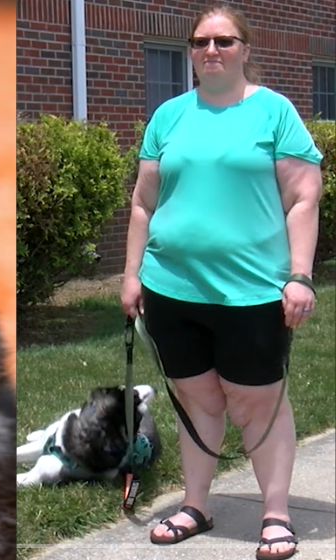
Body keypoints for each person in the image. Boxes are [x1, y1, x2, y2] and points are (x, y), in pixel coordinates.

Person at [120, 3, 323, 560]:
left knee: (257, 403)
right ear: (189, 51)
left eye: (225, 41)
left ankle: (277, 515)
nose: (212, 50)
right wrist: (133, 274)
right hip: (171, 288)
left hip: (254, 290)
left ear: (245, 50)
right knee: (196, 398)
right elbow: (143, 202)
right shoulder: (168, 116)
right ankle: (197, 504)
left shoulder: (274, 113)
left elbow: (304, 197)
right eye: (201, 41)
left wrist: (299, 276)